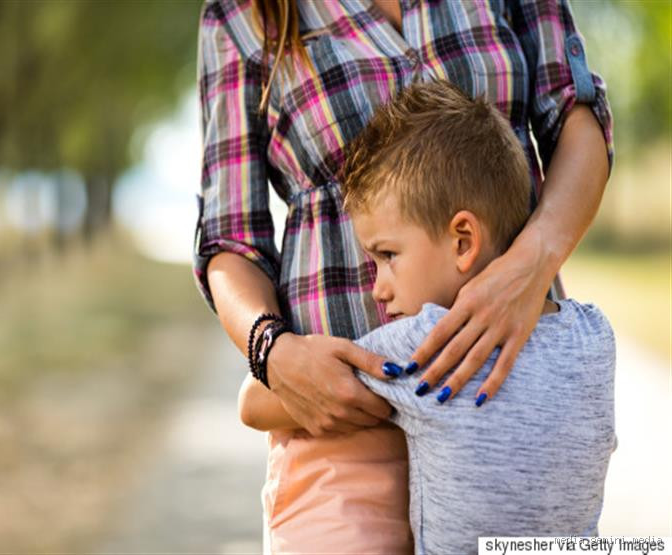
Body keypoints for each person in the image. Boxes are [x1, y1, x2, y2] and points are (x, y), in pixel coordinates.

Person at [193, 0, 612, 551]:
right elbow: (230, 239)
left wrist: (530, 264)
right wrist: (273, 353)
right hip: (343, 443)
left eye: (386, 258)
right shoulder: (240, 16)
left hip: (505, 402)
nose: (379, 284)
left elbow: (577, 115)